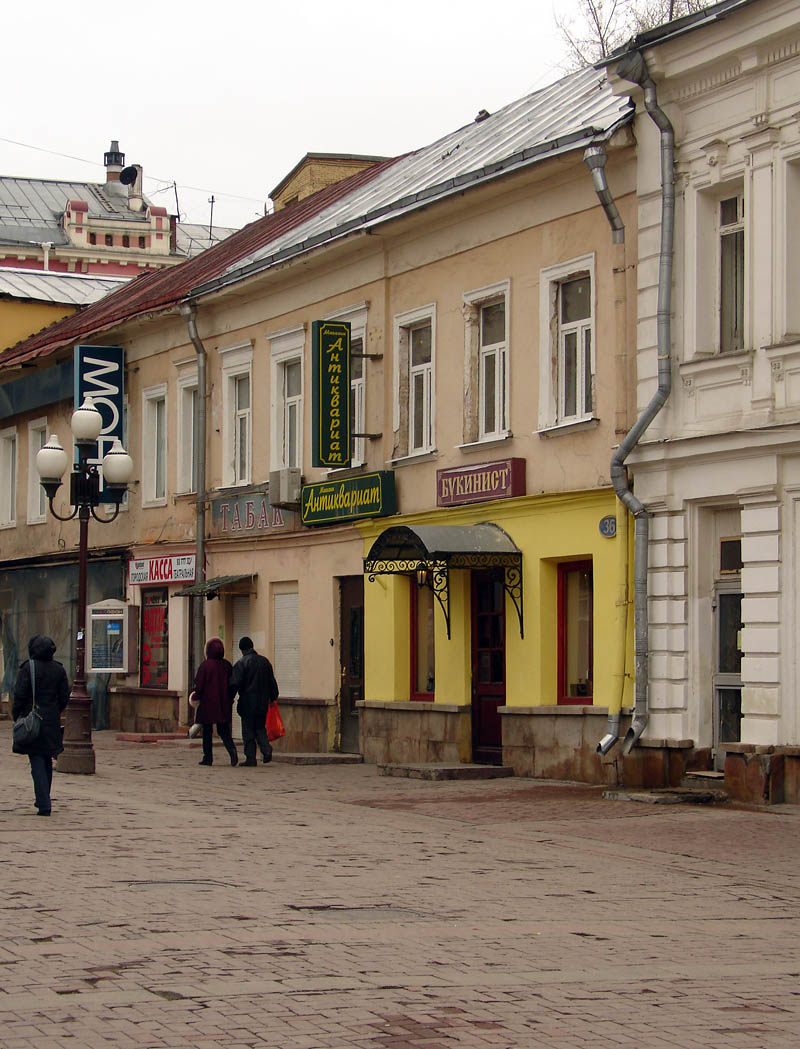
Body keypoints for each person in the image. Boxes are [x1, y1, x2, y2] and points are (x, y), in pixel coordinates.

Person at [12, 635, 70, 816]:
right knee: (46, 758)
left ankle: (44, 802)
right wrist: (54, 711)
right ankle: (44, 797)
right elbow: (64, 697)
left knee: (36, 759)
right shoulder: (59, 670)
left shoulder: (28, 668)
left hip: (33, 718)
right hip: (51, 720)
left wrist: (18, 715)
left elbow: (19, 695)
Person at [230, 636, 279, 767]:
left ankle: (250, 757)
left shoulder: (241, 664)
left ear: (242, 650)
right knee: (260, 727)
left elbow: (234, 684)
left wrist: (229, 699)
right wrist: (273, 697)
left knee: (248, 730)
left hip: (247, 702)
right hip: (262, 702)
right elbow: (272, 682)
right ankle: (266, 749)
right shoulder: (265, 662)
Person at [192, 638, 239, 767]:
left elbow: (199, 684)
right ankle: (232, 751)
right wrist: (230, 698)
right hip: (224, 703)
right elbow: (233, 684)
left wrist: (196, 696)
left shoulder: (205, 666)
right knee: (223, 730)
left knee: (207, 731)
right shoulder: (227, 665)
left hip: (207, 704)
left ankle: (208, 757)